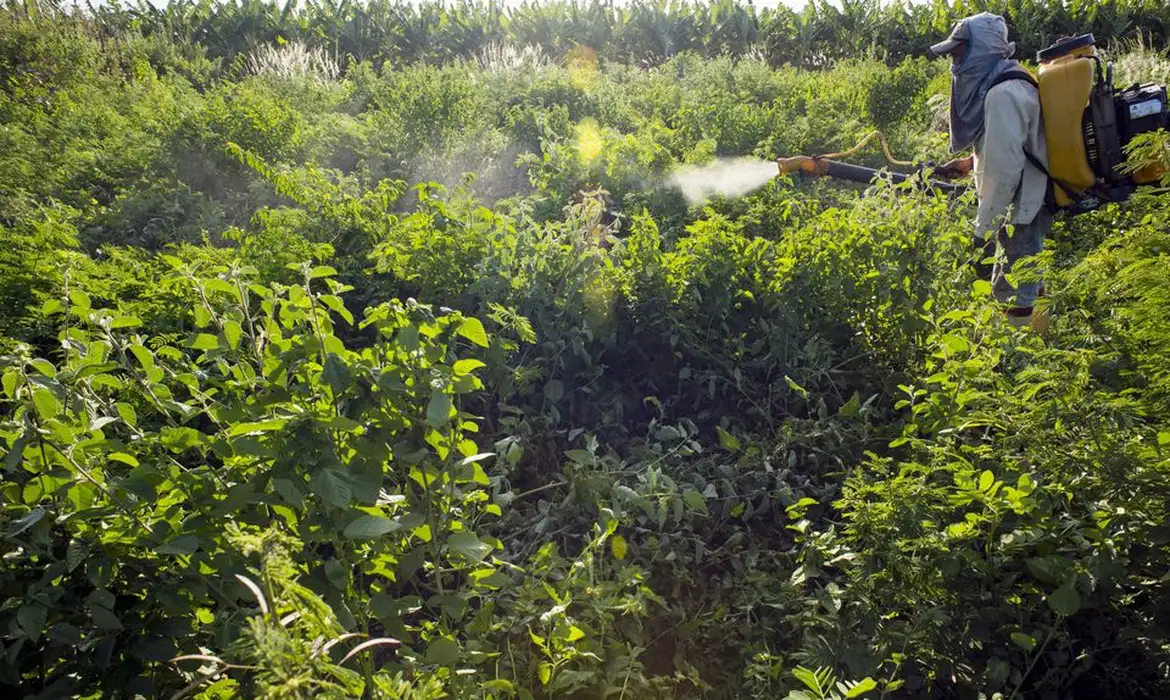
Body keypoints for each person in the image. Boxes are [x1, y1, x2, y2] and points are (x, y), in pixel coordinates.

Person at [928, 12, 1052, 331]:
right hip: (1026, 196)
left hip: (1024, 203)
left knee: (1011, 288)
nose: (955, 62)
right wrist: (970, 164)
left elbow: (1004, 172)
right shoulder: (1006, 80)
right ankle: (1043, 342)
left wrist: (981, 233)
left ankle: (1018, 360)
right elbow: (1011, 143)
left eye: (959, 53)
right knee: (1028, 272)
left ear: (982, 50)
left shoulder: (1002, 93)